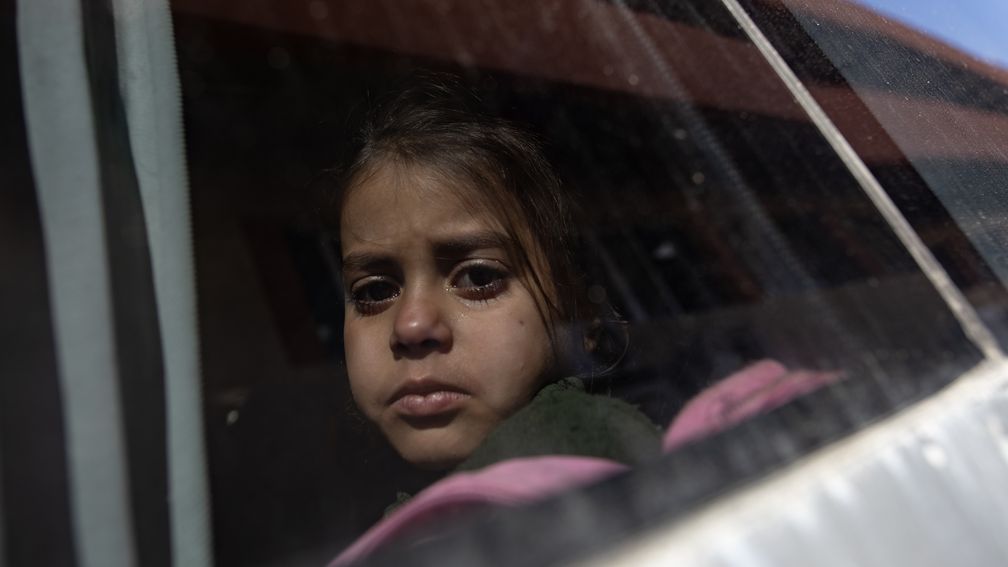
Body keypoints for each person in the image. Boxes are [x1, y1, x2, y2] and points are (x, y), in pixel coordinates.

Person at [330, 76, 661, 476]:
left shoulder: (590, 462)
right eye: (375, 291)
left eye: (478, 277)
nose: (411, 326)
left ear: (580, 308)